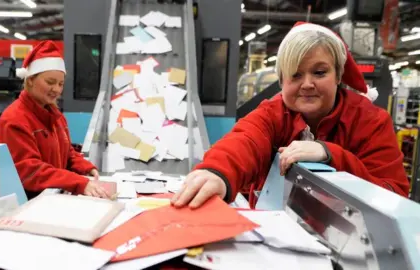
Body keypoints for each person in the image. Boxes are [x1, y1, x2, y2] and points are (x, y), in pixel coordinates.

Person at [172, 22, 410, 209]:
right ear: (281, 81)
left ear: (338, 75)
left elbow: (393, 195)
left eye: (319, 72)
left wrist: (332, 155)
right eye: (295, 75)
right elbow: (245, 140)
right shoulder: (273, 113)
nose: (307, 84)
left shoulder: (370, 121)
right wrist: (216, 173)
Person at [0, 41, 111, 199]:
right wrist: (78, 182)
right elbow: (30, 171)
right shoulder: (15, 119)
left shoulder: (55, 116)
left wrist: (85, 167)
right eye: (50, 82)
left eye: (61, 84)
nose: (56, 89)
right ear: (30, 80)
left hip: (50, 197)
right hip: (28, 203)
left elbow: (68, 153)